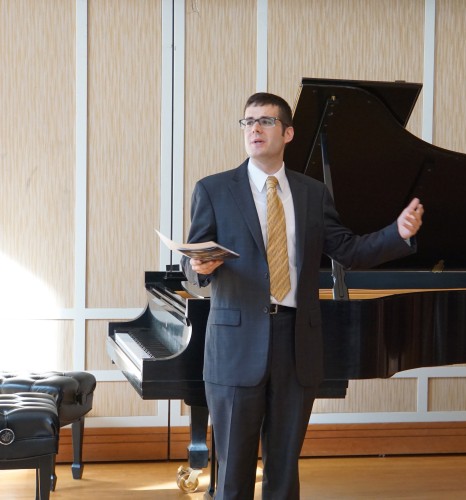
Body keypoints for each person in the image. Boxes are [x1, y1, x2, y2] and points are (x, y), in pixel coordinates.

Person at [181, 92, 424, 500]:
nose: (254, 129)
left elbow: (348, 250)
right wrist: (198, 268)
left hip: (298, 342)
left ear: (288, 132)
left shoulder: (312, 193)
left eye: (265, 121)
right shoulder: (214, 189)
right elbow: (194, 259)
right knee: (233, 474)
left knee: (283, 469)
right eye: (247, 122)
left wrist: (396, 234)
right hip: (235, 347)